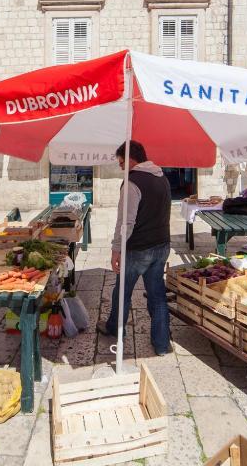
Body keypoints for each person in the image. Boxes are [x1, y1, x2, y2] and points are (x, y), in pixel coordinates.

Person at [97, 141, 172, 356]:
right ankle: (161, 344)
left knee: (122, 291)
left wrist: (115, 250)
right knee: (157, 294)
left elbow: (125, 223)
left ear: (131, 159)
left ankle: (114, 328)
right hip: (162, 246)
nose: (120, 167)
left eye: (121, 162)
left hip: (139, 249)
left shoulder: (132, 182)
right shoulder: (162, 178)